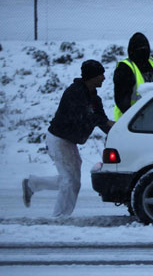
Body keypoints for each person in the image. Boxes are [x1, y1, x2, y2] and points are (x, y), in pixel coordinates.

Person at [22, 60, 115, 216]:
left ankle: (33, 184)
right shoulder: (74, 93)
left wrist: (118, 133)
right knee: (69, 181)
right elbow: (81, 117)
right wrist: (101, 120)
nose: (104, 78)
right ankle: (60, 217)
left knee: (72, 181)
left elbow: (102, 121)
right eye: (101, 75)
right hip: (58, 139)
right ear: (92, 77)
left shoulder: (94, 99)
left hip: (69, 141)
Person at [113, 32, 153, 121]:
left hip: (152, 118)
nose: (143, 51)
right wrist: (135, 119)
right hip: (129, 122)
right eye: (140, 49)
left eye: (145, 48)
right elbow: (122, 101)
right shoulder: (125, 68)